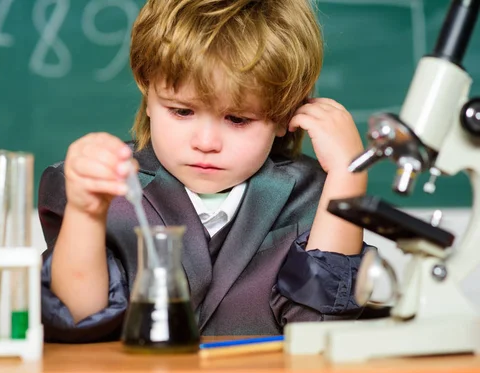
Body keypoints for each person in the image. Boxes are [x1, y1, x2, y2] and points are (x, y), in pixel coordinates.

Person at [39, 0, 372, 343]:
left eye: (238, 119)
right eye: (182, 112)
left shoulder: (318, 197)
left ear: (286, 112)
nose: (206, 142)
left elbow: (320, 331)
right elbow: (77, 318)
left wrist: (348, 179)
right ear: (146, 86)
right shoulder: (97, 185)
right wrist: (86, 214)